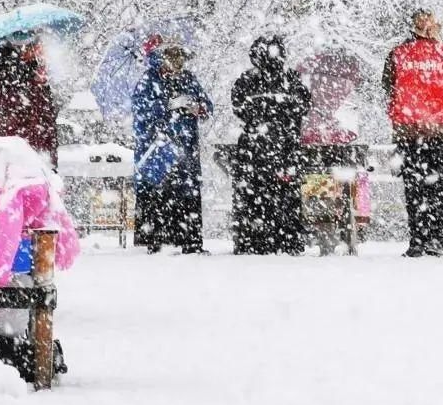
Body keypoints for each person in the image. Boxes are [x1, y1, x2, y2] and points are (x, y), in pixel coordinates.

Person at [383, 10, 443, 257]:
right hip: (441, 132)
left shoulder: (397, 54)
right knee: (440, 188)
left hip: (409, 132)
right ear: (432, 28)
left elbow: (388, 85)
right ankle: (439, 238)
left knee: (414, 188)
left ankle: (418, 239)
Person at [230, 36, 312, 255]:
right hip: (272, 147)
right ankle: (276, 238)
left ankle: (262, 238)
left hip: (269, 147)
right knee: (276, 194)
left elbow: (303, 105)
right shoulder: (279, 79)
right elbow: (239, 107)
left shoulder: (282, 79)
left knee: (272, 194)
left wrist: (266, 110)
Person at [132, 39, 213, 254]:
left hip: (186, 147)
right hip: (161, 150)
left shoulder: (188, 79)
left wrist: (197, 107)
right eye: (173, 57)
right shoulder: (149, 80)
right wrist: (168, 105)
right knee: (160, 192)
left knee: (187, 192)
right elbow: (141, 110)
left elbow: (207, 106)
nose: (178, 63)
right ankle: (156, 240)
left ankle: (190, 240)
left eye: (180, 58)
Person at [0, 41, 59, 169]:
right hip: (21, 147)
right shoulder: (22, 80)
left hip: (20, 146)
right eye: (38, 50)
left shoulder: (32, 83)